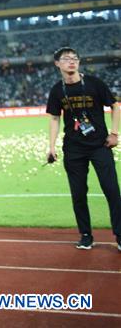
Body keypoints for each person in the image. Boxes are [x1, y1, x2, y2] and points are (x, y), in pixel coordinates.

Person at [46, 47, 121, 252]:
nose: (72, 61)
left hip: (100, 145)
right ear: (57, 64)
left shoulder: (94, 83)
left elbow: (115, 106)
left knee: (112, 190)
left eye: (75, 58)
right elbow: (54, 118)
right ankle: (86, 235)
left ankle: (120, 234)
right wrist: (51, 147)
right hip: (73, 149)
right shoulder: (57, 90)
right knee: (78, 193)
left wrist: (114, 134)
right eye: (66, 59)